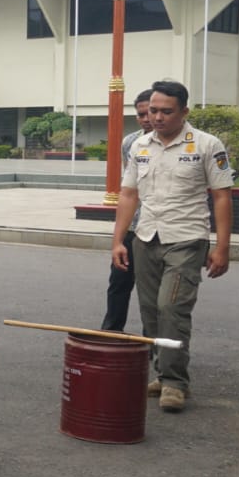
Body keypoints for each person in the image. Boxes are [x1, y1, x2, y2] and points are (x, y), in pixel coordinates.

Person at [110, 79, 231, 414]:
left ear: (184, 112)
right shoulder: (140, 146)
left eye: (166, 111)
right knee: (149, 311)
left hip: (186, 239)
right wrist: (118, 240)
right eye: (153, 111)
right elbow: (129, 194)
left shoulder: (206, 145)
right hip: (146, 237)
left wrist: (222, 247)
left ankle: (176, 383)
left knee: (171, 308)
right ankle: (162, 374)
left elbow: (221, 196)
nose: (158, 117)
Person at [101, 89, 155, 332]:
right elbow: (129, 188)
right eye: (141, 114)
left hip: (159, 228)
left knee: (151, 290)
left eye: (150, 112)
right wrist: (119, 236)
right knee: (119, 281)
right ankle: (112, 332)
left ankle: (152, 341)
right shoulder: (131, 142)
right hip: (133, 225)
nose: (146, 118)